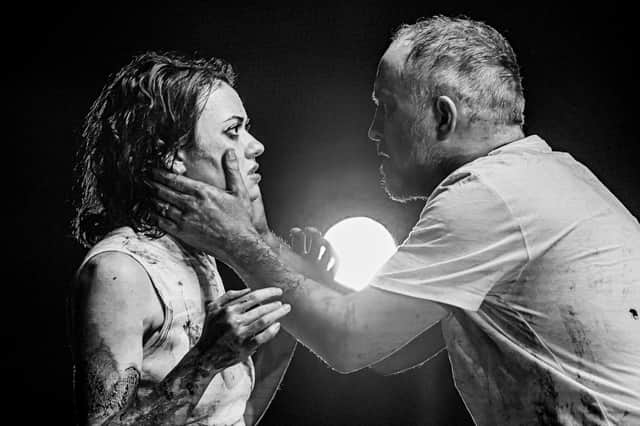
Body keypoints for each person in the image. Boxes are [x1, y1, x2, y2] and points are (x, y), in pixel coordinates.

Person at [149, 16, 640, 425]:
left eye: (386, 108)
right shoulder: (542, 176)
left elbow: (349, 343)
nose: (373, 129)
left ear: (443, 118)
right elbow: (392, 350)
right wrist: (259, 238)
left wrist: (236, 241)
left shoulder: (488, 196)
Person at [68, 51, 297, 426]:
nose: (255, 146)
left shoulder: (193, 254)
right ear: (171, 153)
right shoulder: (119, 272)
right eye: (233, 130)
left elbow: (237, 415)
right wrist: (205, 361)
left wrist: (289, 318)